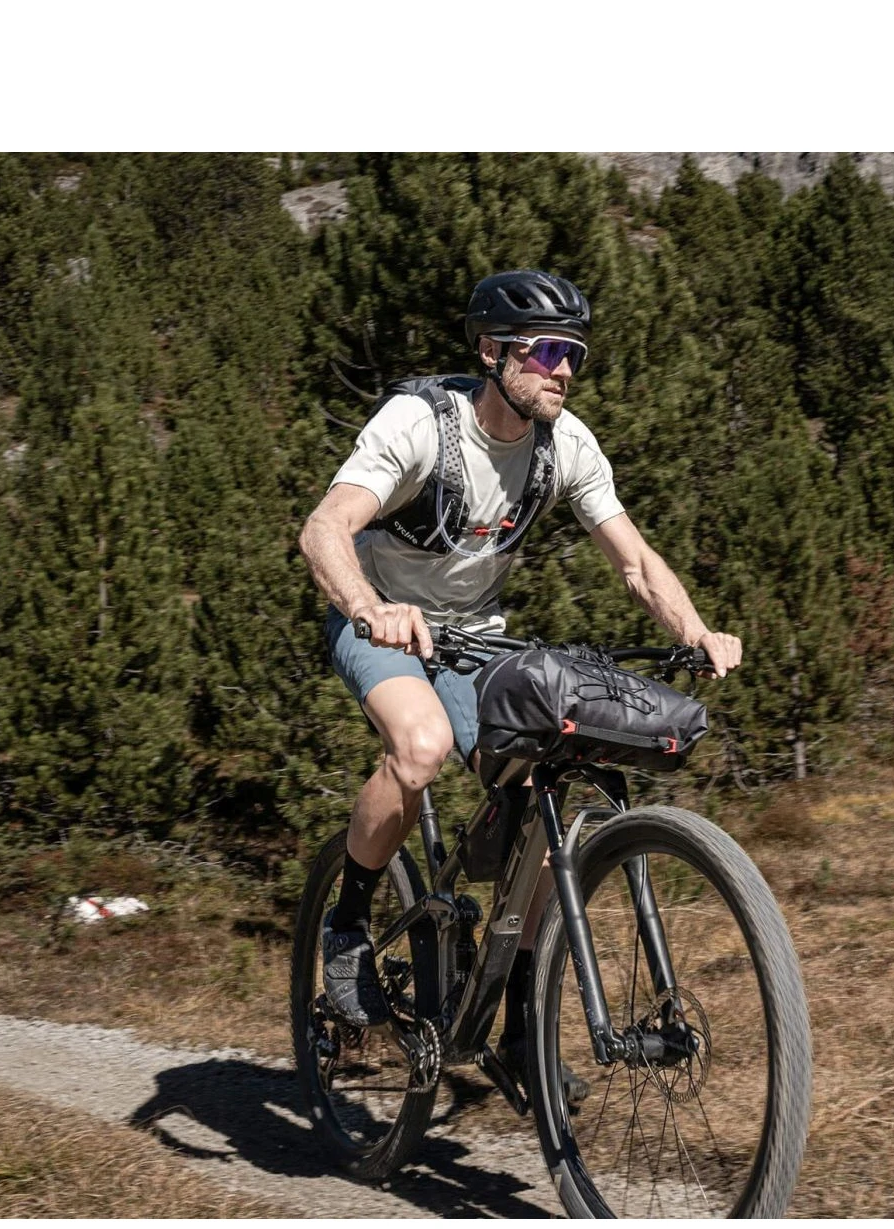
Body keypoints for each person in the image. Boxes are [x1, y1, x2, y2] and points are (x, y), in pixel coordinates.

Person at [298, 269, 742, 1085]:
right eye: (544, 352)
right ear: (491, 352)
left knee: (543, 796)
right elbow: (324, 528)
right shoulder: (420, 424)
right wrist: (369, 607)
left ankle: (517, 1028)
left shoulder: (564, 444)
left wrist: (695, 631)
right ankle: (349, 926)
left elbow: (635, 561)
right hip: (381, 620)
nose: (563, 370)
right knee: (421, 746)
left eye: (573, 355)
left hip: (474, 639)